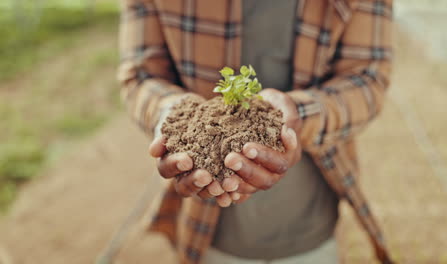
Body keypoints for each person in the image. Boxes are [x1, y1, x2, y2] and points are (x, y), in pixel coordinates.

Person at [118, 0, 394, 263]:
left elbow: (368, 77)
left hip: (310, 222)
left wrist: (299, 115)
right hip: (207, 229)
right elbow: (141, 74)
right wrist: (172, 115)